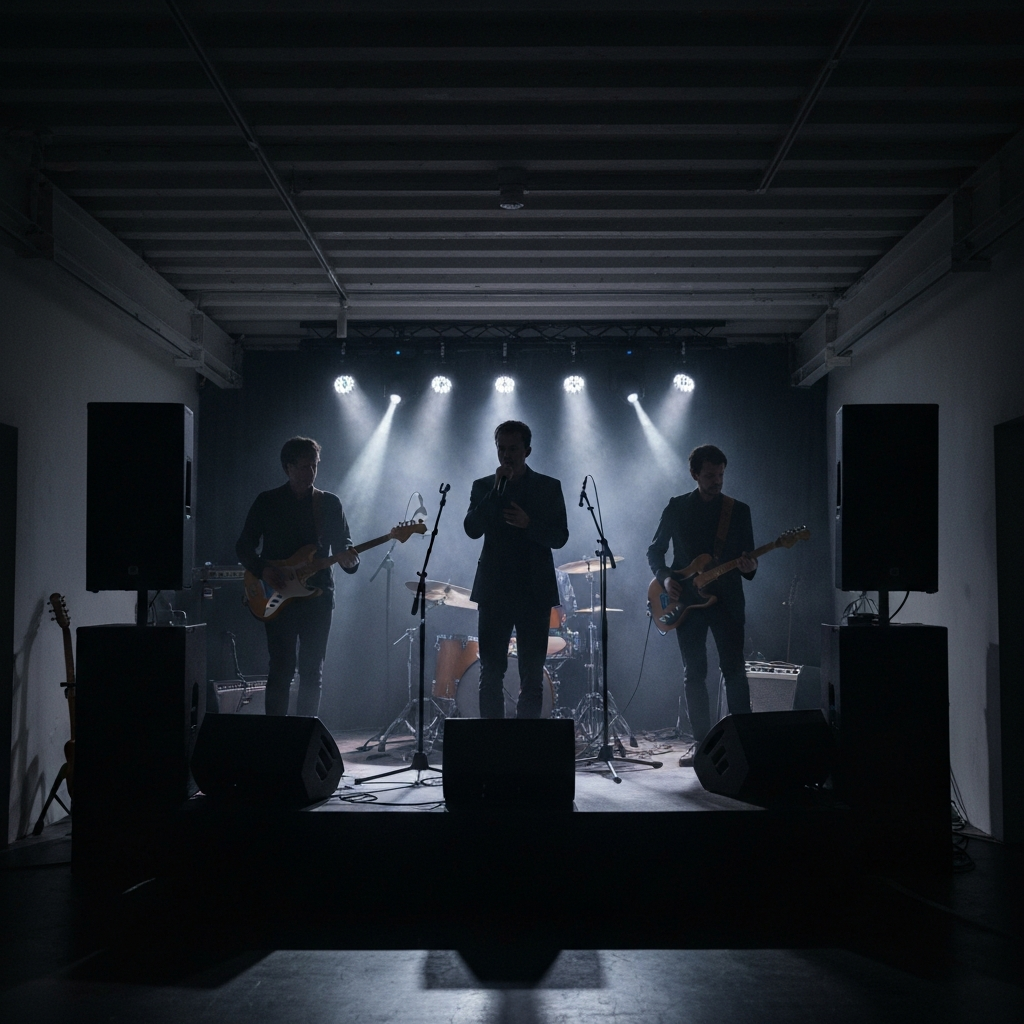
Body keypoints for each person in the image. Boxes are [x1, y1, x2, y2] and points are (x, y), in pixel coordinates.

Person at [236, 437, 359, 717]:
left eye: (314, 466)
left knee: (312, 670)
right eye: (303, 467)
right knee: (281, 667)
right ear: (287, 468)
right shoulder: (267, 502)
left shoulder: (329, 504)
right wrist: (263, 569)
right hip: (276, 592)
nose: (310, 474)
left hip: (318, 597)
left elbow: (344, 547)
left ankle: (305, 734)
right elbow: (243, 546)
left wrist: (351, 561)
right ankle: (276, 736)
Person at [646, 444, 758, 746]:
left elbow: (748, 565)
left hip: (728, 602)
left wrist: (750, 565)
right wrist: (666, 578)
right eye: (709, 475)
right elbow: (655, 551)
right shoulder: (677, 506)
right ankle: (704, 745)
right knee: (694, 674)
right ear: (695, 474)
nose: (717, 481)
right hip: (688, 603)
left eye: (720, 475)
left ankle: (743, 743)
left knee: (734, 670)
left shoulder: (738, 510)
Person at [464, 420, 569, 718]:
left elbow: (560, 536)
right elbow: (471, 528)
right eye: (502, 449)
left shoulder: (548, 487)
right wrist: (496, 490)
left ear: (528, 450)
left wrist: (529, 524)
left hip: (534, 592)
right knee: (491, 673)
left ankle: (526, 748)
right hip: (494, 590)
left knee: (532, 676)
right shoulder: (484, 486)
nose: (507, 455)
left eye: (513, 449)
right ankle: (493, 749)